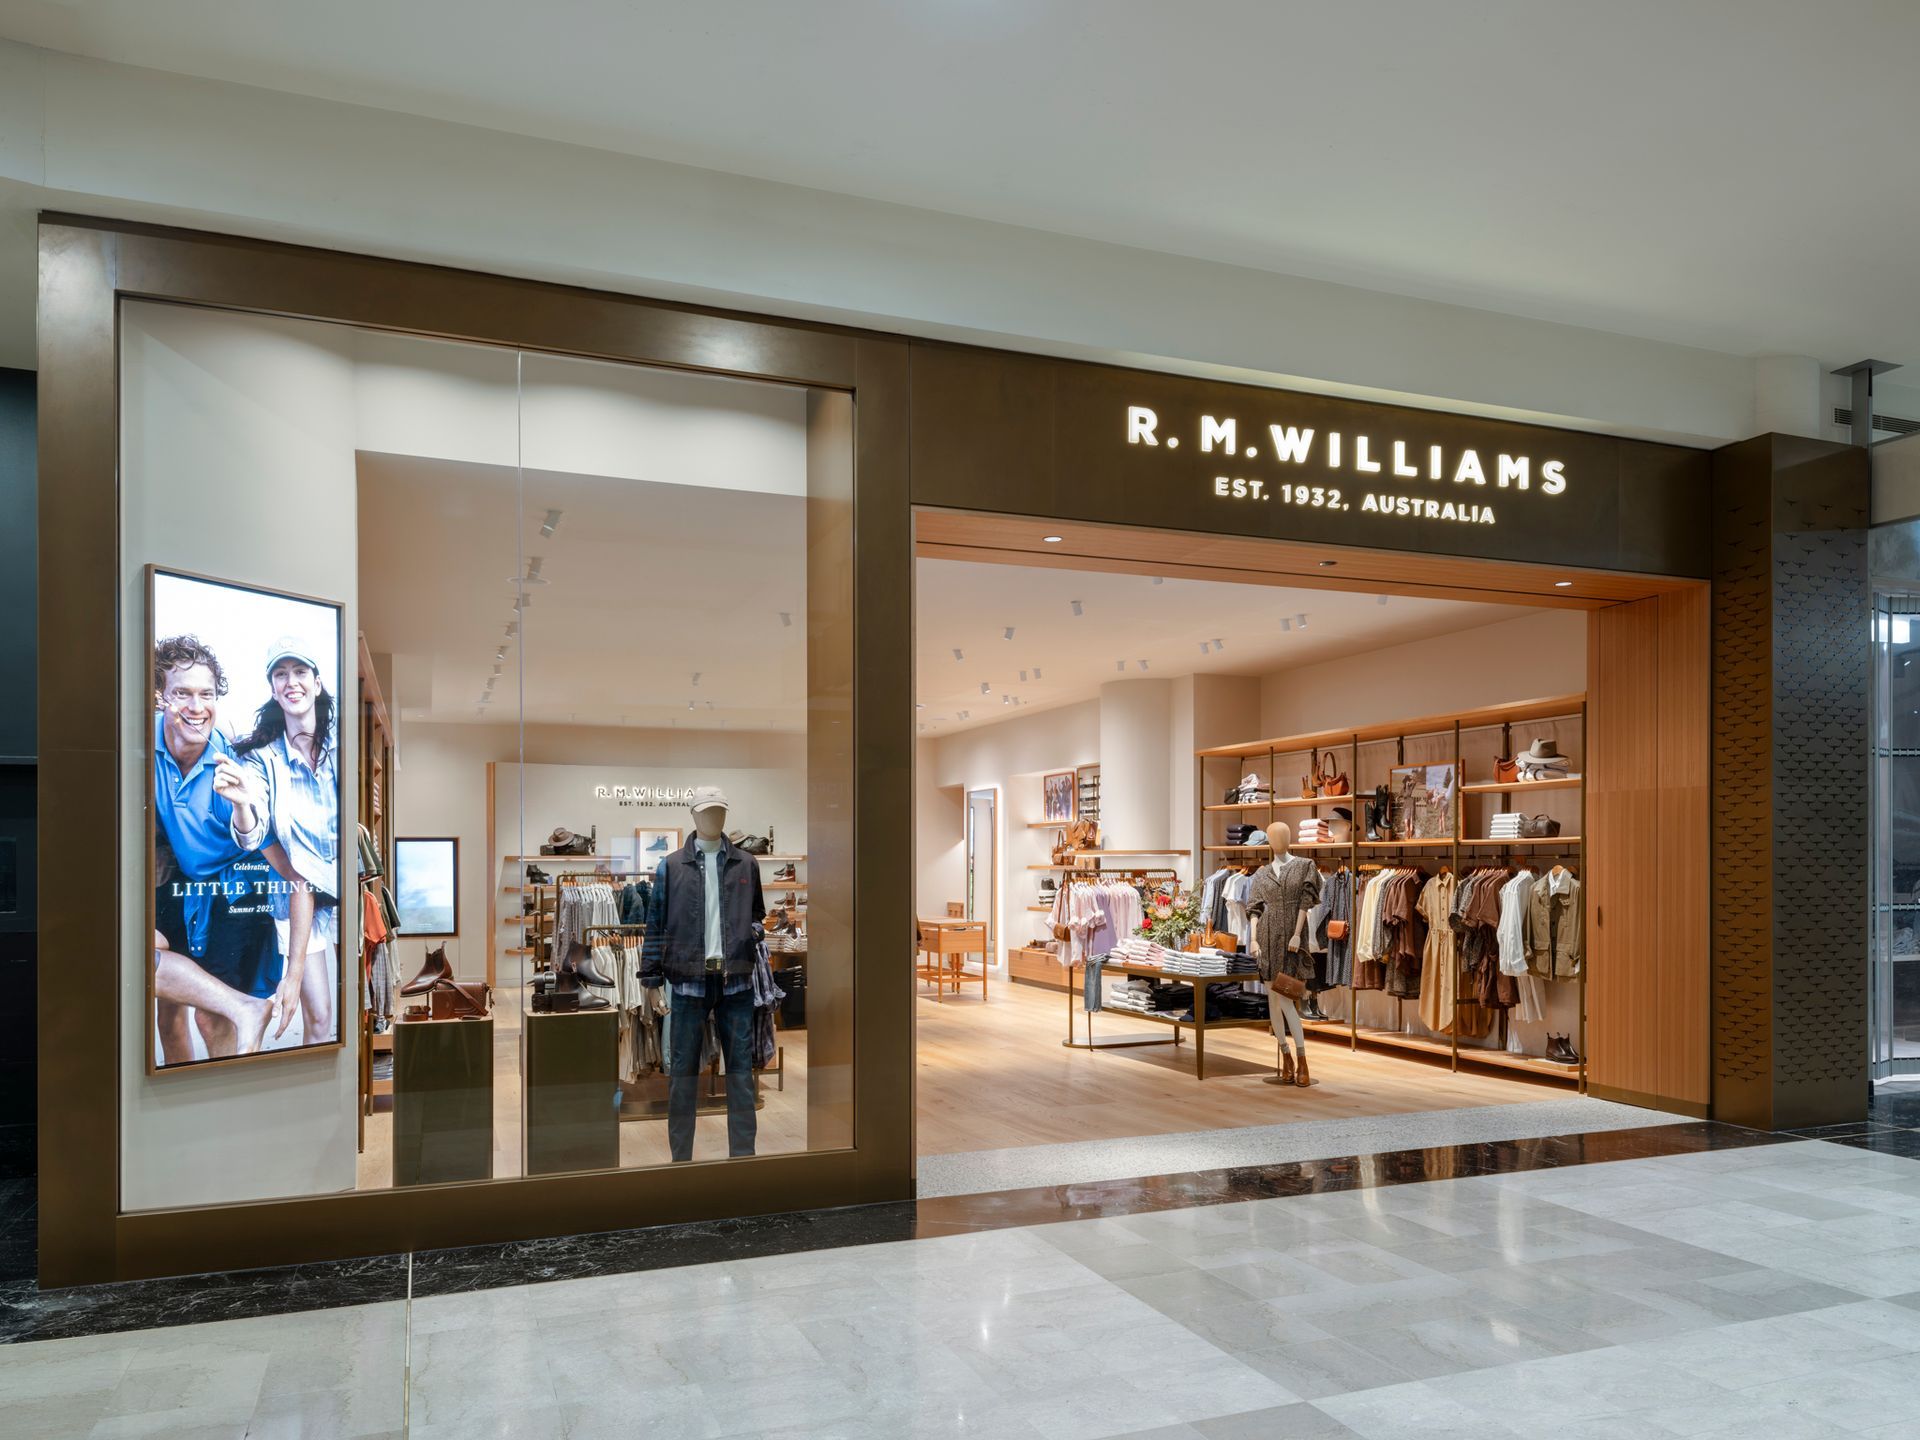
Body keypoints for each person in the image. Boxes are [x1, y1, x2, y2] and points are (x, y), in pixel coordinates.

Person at [151, 635, 302, 1060]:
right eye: (182, 693)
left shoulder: (234, 760)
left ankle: (230, 1076)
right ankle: (181, 1088)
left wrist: (294, 973)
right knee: (158, 995)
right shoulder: (141, 745)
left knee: (210, 1017)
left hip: (239, 887)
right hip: (182, 879)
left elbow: (276, 856)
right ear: (160, 696)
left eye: (207, 694)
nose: (196, 706)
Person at [233, 637, 341, 1046]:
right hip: (299, 893)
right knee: (320, 1016)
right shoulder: (261, 758)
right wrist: (241, 804)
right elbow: (253, 834)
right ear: (273, 689)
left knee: (358, 1006)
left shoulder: (344, 745)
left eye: (300, 672)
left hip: (346, 890)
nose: (291, 681)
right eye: (281, 674)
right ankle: (314, 1084)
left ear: (317, 683)